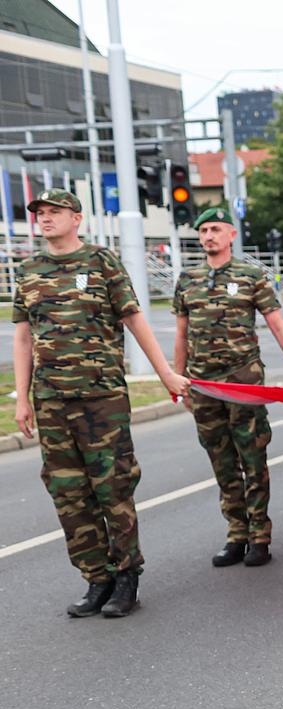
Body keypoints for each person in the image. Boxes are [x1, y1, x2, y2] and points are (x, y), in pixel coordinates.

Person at [11, 188, 188, 617]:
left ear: (77, 218)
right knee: (68, 492)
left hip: (101, 397)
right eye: (41, 213)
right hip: (51, 400)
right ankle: (97, 578)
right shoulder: (30, 270)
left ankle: (127, 576)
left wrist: (165, 372)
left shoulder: (101, 262)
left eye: (55, 212)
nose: (46, 218)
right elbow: (22, 336)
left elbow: (133, 318)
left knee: (112, 488)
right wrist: (23, 398)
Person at [173, 207, 283, 568]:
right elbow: (181, 333)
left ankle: (260, 536)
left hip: (243, 380)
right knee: (221, 460)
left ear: (231, 235)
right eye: (203, 230)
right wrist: (178, 378)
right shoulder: (188, 278)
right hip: (203, 384)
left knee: (252, 456)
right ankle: (236, 533)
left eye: (216, 229)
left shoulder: (251, 276)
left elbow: (278, 326)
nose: (208, 236)